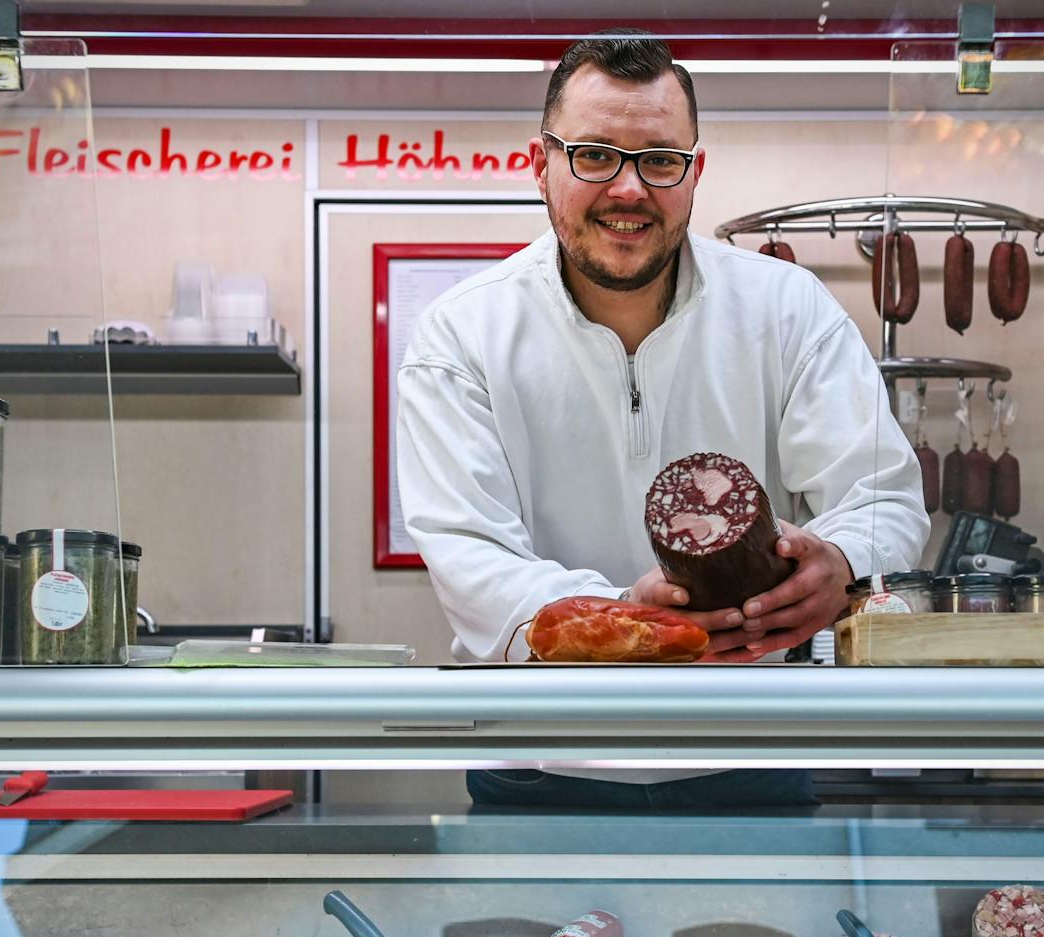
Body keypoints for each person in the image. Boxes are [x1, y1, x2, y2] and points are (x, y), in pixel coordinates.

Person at [395, 29, 929, 808]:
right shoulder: (461, 335)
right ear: (538, 164)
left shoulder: (786, 310)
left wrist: (841, 560)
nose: (629, 189)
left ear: (694, 170)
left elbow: (884, 497)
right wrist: (624, 619)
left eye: (659, 159)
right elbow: (473, 561)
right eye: (595, 155)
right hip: (543, 768)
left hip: (750, 757)